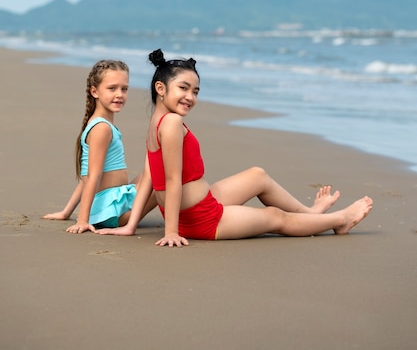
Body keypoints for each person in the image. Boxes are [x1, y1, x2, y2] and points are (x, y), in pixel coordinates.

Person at [97, 49, 373, 246]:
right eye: (183, 88)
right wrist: (170, 231)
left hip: (198, 204)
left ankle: (311, 215)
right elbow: (169, 179)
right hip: (200, 219)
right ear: (160, 87)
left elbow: (149, 175)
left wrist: (132, 225)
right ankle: (340, 220)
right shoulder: (169, 123)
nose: (190, 97)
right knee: (275, 218)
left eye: (195, 91)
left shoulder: (157, 121)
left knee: (257, 175)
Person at [43, 59, 155, 233]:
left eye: (124, 89)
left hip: (112, 202)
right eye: (112, 88)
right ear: (94, 91)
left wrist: (66, 212)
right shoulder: (102, 128)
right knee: (164, 179)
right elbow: (93, 177)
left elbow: (85, 177)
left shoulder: (100, 124)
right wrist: (82, 220)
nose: (119, 94)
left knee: (152, 171)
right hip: (111, 211)